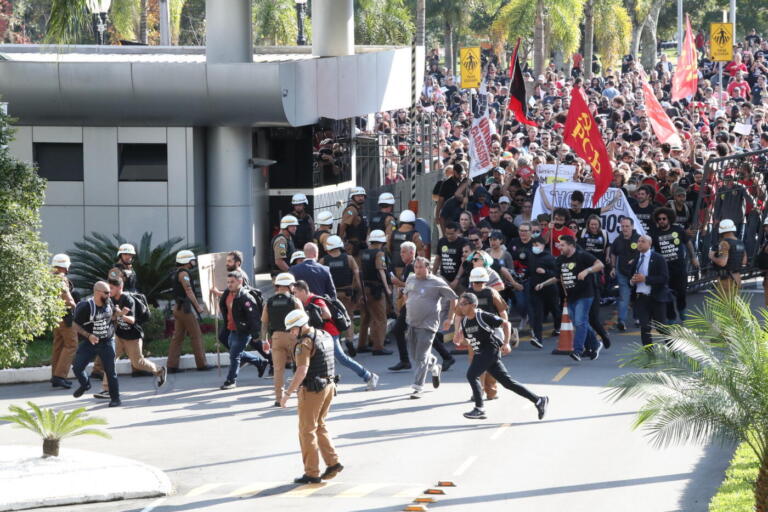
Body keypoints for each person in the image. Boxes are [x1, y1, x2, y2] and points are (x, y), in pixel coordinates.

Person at [457, 292, 549, 421]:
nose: (461, 307)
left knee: (471, 375)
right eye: (459, 304)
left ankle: (479, 408)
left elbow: (506, 324)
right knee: (508, 383)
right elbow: (468, 340)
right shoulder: (465, 321)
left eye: (463, 304)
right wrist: (459, 338)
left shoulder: (482, 316)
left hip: (490, 351)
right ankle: (539, 400)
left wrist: (506, 343)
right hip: (480, 353)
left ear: (473, 305)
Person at [280, 310, 343, 484]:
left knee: (306, 431)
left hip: (313, 389)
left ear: (300, 327)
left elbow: (302, 371)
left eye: (292, 330)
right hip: (329, 385)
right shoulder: (323, 335)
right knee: (320, 426)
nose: (291, 333)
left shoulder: (304, 343)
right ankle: (333, 462)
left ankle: (312, 472)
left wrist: (287, 394)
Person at [294, 280, 378, 390]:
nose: (294, 295)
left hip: (329, 333)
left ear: (303, 291)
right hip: (319, 334)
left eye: (295, 292)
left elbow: (327, 314)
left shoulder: (315, 300)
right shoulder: (305, 302)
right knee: (316, 359)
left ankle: (369, 376)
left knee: (341, 358)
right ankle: (312, 384)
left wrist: (310, 315)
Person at [93, 277, 168, 399]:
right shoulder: (110, 299)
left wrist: (121, 315)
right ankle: (107, 389)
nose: (109, 291)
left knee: (138, 363)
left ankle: (159, 370)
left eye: (111, 288)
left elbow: (132, 320)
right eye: (108, 288)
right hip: (119, 335)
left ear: (120, 287)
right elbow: (111, 317)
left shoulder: (128, 300)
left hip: (133, 336)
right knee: (110, 359)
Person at [536, 236, 604, 361]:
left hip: (585, 294)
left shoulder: (582, 255)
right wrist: (543, 284)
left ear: (571, 246)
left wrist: (587, 271)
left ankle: (578, 350)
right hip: (571, 296)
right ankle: (595, 344)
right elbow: (557, 278)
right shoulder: (560, 260)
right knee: (580, 322)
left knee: (579, 321)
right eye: (559, 245)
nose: (559, 247)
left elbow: (600, 264)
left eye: (562, 245)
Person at [453, 268, 510, 403]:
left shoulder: (467, 295)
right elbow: (503, 313)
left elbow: (458, 316)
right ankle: (490, 392)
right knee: (490, 362)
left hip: (477, 333)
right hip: (490, 333)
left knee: (476, 363)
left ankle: (480, 393)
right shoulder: (492, 292)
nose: (477, 284)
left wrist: (457, 331)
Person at [404, 257, 458, 399]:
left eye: (421, 267)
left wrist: (450, 318)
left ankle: (418, 386)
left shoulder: (437, 282)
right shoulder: (411, 279)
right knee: (415, 356)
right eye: (416, 267)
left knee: (421, 357)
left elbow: (454, 298)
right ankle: (434, 365)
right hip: (411, 322)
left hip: (428, 324)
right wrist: (409, 306)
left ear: (428, 268)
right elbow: (406, 294)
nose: (418, 270)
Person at [71, 281, 121, 407]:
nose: (109, 295)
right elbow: (74, 324)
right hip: (90, 342)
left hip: (107, 342)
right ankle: (85, 384)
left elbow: (113, 316)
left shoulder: (108, 302)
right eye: (106, 293)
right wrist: (88, 335)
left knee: (111, 371)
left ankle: (116, 398)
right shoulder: (86, 307)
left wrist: (120, 314)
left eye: (110, 292)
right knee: (77, 367)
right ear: (97, 292)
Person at [218, 270, 268, 390]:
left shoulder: (245, 297)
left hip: (243, 331)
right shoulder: (227, 293)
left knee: (234, 355)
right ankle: (259, 362)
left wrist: (257, 334)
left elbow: (254, 317)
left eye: (232, 282)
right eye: (228, 282)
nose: (229, 284)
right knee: (235, 353)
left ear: (240, 281)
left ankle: (231, 380)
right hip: (231, 329)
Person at [261, 272, 304, 405]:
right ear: (290, 286)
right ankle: (301, 396)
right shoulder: (294, 301)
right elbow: (303, 320)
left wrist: (264, 340)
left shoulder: (269, 302)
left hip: (276, 338)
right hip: (293, 337)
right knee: (299, 367)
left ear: (277, 286)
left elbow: (264, 323)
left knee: (278, 370)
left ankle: (278, 399)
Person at [167, 250, 211, 373]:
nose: (194, 262)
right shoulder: (184, 274)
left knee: (178, 337)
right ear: (186, 261)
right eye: (192, 260)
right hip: (184, 309)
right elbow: (189, 291)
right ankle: (202, 364)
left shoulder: (177, 273)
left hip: (178, 308)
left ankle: (172, 365)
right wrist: (198, 307)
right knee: (196, 335)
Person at [651, 207, 699, 322]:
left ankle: (682, 310)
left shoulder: (678, 230)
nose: (661, 221)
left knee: (681, 293)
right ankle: (671, 317)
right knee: (666, 294)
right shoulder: (654, 234)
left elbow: (688, 243)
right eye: (659, 219)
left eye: (664, 218)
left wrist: (693, 257)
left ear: (669, 219)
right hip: (664, 270)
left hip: (679, 268)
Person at [321, 235, 362, 356]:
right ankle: (349, 340)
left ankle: (337, 343)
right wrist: (357, 290)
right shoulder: (349, 258)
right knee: (348, 317)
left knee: (332, 320)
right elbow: (357, 275)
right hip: (347, 293)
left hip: (330, 296)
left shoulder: (324, 260)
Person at [631, 235, 671, 346]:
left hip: (656, 297)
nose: (639, 243)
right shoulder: (636, 259)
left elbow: (664, 278)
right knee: (644, 327)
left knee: (661, 327)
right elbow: (630, 277)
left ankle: (673, 348)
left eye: (642, 241)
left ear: (649, 244)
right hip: (641, 298)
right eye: (638, 241)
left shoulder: (658, 258)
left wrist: (646, 279)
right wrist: (632, 281)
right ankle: (649, 353)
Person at [358, 230, 393, 355]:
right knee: (380, 318)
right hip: (376, 289)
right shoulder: (379, 253)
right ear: (382, 241)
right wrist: (387, 288)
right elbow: (381, 271)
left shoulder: (363, 253)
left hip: (364, 288)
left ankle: (362, 344)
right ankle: (378, 346)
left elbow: (359, 272)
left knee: (365, 317)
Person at [50, 253, 78, 390]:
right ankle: (60, 376)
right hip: (66, 316)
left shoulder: (49, 277)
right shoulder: (61, 279)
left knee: (58, 345)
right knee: (72, 344)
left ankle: (55, 376)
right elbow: (68, 299)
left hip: (55, 316)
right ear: (65, 265)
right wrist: (77, 307)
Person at [608, 217, 640, 331]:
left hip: (637, 273)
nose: (625, 228)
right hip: (622, 272)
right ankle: (621, 321)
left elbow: (645, 253)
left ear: (632, 226)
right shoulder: (618, 239)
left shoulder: (639, 239)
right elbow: (613, 254)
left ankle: (638, 317)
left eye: (627, 226)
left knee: (638, 296)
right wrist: (612, 268)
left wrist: (635, 260)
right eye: (623, 226)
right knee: (624, 297)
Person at [529, 237, 561, 343]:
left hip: (549, 289)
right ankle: (538, 338)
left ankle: (558, 328)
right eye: (533, 245)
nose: (535, 247)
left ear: (543, 245)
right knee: (538, 314)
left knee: (555, 310)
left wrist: (545, 271)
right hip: (536, 289)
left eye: (537, 245)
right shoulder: (531, 256)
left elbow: (556, 274)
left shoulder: (549, 257)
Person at [709, 219, 747, 294]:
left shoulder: (724, 243)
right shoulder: (740, 242)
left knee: (725, 304)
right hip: (737, 278)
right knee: (735, 304)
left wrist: (712, 256)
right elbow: (744, 261)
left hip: (726, 280)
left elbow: (722, 262)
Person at [389, 209, 425, 279]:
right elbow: (421, 254)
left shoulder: (393, 234)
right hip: (409, 269)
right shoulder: (415, 235)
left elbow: (388, 249)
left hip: (394, 268)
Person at [432, 221, 467, 290]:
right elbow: (438, 258)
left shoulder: (463, 243)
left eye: (451, 234)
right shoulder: (442, 241)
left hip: (459, 278)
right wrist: (433, 274)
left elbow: (464, 262)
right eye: (447, 233)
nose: (449, 236)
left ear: (457, 232)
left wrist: (457, 279)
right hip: (444, 277)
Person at [338, 187, 368, 257]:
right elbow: (343, 225)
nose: (361, 198)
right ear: (352, 197)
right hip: (352, 246)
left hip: (360, 245)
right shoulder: (351, 210)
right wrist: (341, 242)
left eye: (362, 196)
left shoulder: (359, 210)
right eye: (358, 196)